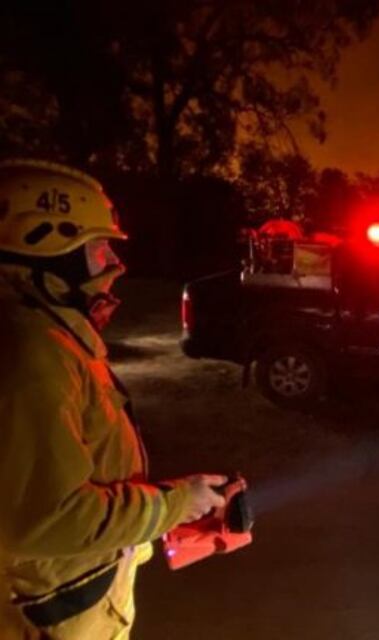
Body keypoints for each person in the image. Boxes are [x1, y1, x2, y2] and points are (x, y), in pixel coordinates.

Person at [0, 159, 227, 639]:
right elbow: (46, 518)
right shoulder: (32, 354)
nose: (113, 263)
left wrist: (164, 513)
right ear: (47, 247)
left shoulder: (53, 336)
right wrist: (174, 504)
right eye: (98, 246)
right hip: (47, 623)